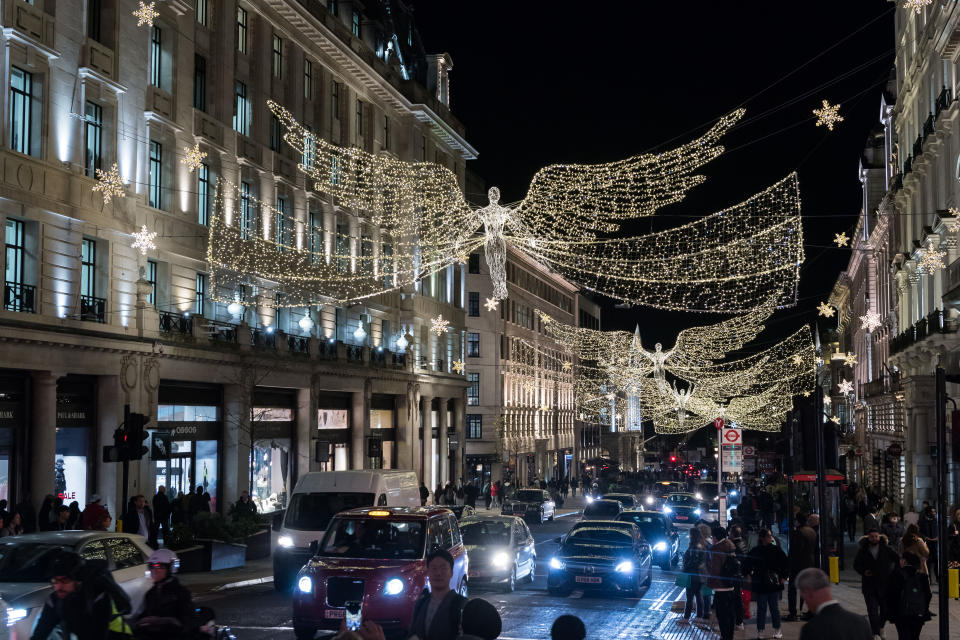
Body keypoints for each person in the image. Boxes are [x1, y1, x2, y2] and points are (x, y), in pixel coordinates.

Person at [30, 552, 113, 640]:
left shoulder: (97, 596)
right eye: (55, 580)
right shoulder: (55, 600)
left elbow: (99, 634)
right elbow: (41, 631)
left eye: (65, 580)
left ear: (78, 580)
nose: (59, 586)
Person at [133, 548, 196, 640]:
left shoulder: (181, 593)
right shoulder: (150, 594)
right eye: (152, 566)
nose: (155, 570)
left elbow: (188, 623)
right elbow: (144, 615)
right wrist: (140, 621)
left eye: (160, 567)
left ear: (170, 568)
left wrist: (164, 621)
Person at [796, 568, 872, 640]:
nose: (806, 602)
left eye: (803, 597)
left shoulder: (811, 629)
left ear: (808, 592)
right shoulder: (861, 623)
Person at [408, 549, 467, 640]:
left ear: (451, 573)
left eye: (443, 568)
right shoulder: (422, 602)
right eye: (434, 568)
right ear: (428, 573)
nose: (438, 573)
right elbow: (412, 632)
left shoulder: (460, 604)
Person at [853, 528, 899, 639]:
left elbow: (898, 560)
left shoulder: (887, 549)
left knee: (885, 610)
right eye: (872, 536)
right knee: (872, 611)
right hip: (869, 585)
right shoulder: (863, 550)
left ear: (880, 537)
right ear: (868, 538)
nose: (874, 538)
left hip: (885, 585)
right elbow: (856, 565)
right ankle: (876, 633)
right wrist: (864, 571)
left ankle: (880, 627)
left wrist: (893, 574)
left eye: (876, 536)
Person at [746, 528, 788, 639]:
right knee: (763, 608)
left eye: (771, 535)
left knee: (771, 607)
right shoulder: (758, 550)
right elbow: (747, 564)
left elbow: (785, 563)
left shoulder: (774, 550)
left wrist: (784, 576)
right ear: (762, 538)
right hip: (766, 583)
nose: (771, 538)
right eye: (768, 536)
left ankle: (775, 629)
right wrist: (748, 574)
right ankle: (762, 631)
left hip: (769, 583)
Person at [884, 552, 932, 640]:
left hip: (900, 613)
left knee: (903, 636)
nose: (900, 561)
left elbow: (889, 595)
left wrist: (889, 611)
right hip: (918, 613)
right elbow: (928, 595)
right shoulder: (922, 577)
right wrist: (924, 609)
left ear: (905, 562)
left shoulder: (895, 575)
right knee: (915, 636)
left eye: (901, 559)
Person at [786, 513, 819, 621]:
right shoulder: (812, 531)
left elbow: (796, 551)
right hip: (810, 563)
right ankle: (811, 611)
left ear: (798, 521)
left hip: (798, 565)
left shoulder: (798, 533)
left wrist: (789, 563)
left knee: (792, 588)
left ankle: (793, 613)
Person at [707, 535, 739, 640]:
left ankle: (725, 636)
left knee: (722, 615)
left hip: (720, 588)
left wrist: (710, 583)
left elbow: (715, 570)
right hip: (731, 586)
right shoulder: (731, 550)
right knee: (730, 614)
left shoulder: (717, 552)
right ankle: (730, 636)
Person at [677, 526, 708, 625]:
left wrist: (686, 566)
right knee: (698, 596)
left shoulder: (695, 547)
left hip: (694, 575)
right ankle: (699, 616)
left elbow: (694, 562)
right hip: (699, 575)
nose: (689, 536)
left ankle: (687, 617)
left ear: (693, 535)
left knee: (690, 597)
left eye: (690, 534)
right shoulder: (700, 545)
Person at [918, 506, 938, 583]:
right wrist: (925, 538)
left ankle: (937, 578)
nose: (934, 513)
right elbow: (919, 532)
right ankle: (928, 578)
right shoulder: (922, 521)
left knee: (936, 560)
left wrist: (937, 537)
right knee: (927, 561)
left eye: (935, 512)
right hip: (926, 544)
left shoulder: (935, 520)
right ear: (928, 513)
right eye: (932, 512)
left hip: (934, 543)